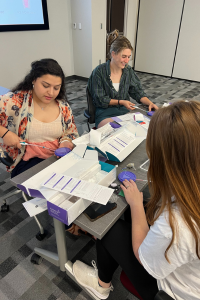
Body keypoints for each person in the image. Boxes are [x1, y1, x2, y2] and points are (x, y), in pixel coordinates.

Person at [73, 100, 200, 300]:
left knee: (107, 225)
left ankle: (100, 286)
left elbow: (142, 255)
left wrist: (135, 206)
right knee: (138, 210)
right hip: (189, 272)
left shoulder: (176, 223)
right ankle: (103, 280)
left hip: (167, 291)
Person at [0, 58, 79, 178]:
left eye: (56, 88)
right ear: (33, 80)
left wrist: (65, 142)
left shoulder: (62, 106)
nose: (51, 93)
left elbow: (71, 132)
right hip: (27, 161)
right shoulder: (14, 102)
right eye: (45, 86)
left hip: (56, 157)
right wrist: (5, 133)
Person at [87, 30, 158, 128]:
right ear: (113, 54)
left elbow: (137, 92)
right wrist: (121, 101)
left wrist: (150, 103)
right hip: (105, 113)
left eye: (129, 57)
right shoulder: (99, 72)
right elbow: (100, 100)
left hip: (124, 112)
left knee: (141, 127)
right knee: (118, 129)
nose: (127, 61)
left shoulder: (128, 71)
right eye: (124, 56)